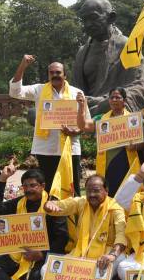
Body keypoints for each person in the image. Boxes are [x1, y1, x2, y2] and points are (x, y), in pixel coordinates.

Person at [0, 166, 68, 280]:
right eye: (25, 186)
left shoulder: (52, 204)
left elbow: (62, 238)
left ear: (42, 186)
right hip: (17, 255)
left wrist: (41, 254)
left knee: (39, 276)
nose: (29, 190)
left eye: (33, 185)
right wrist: (2, 180)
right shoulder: (19, 202)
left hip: (42, 257)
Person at [9, 54, 87, 196]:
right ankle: (50, 218)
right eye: (52, 72)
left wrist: (75, 131)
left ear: (65, 75)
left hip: (70, 148)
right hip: (46, 149)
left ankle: (74, 217)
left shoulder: (77, 93)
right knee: (48, 189)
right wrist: (23, 66)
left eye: (58, 72)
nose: (55, 75)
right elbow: (15, 91)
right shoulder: (39, 90)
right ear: (48, 75)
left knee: (72, 187)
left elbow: (84, 124)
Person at [74, 0, 144, 115]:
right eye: (84, 20)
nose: (88, 24)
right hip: (87, 107)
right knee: (36, 113)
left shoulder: (128, 46)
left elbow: (137, 89)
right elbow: (74, 92)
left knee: (109, 104)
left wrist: (104, 101)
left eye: (93, 18)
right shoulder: (82, 52)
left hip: (113, 110)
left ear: (111, 18)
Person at [43, 174, 126, 277]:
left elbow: (121, 236)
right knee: (46, 270)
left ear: (106, 190)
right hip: (81, 251)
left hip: (106, 254)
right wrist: (48, 205)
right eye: (88, 191)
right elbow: (60, 205)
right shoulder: (81, 202)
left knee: (99, 274)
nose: (91, 195)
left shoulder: (116, 209)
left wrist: (112, 255)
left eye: (96, 190)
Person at [77, 87, 144, 196]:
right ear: (109, 100)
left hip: (126, 164)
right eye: (112, 97)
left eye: (118, 97)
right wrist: (81, 106)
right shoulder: (101, 119)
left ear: (124, 101)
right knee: (108, 196)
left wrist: (134, 146)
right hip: (107, 166)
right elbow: (83, 125)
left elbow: (143, 144)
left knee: (128, 196)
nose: (114, 100)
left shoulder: (134, 119)